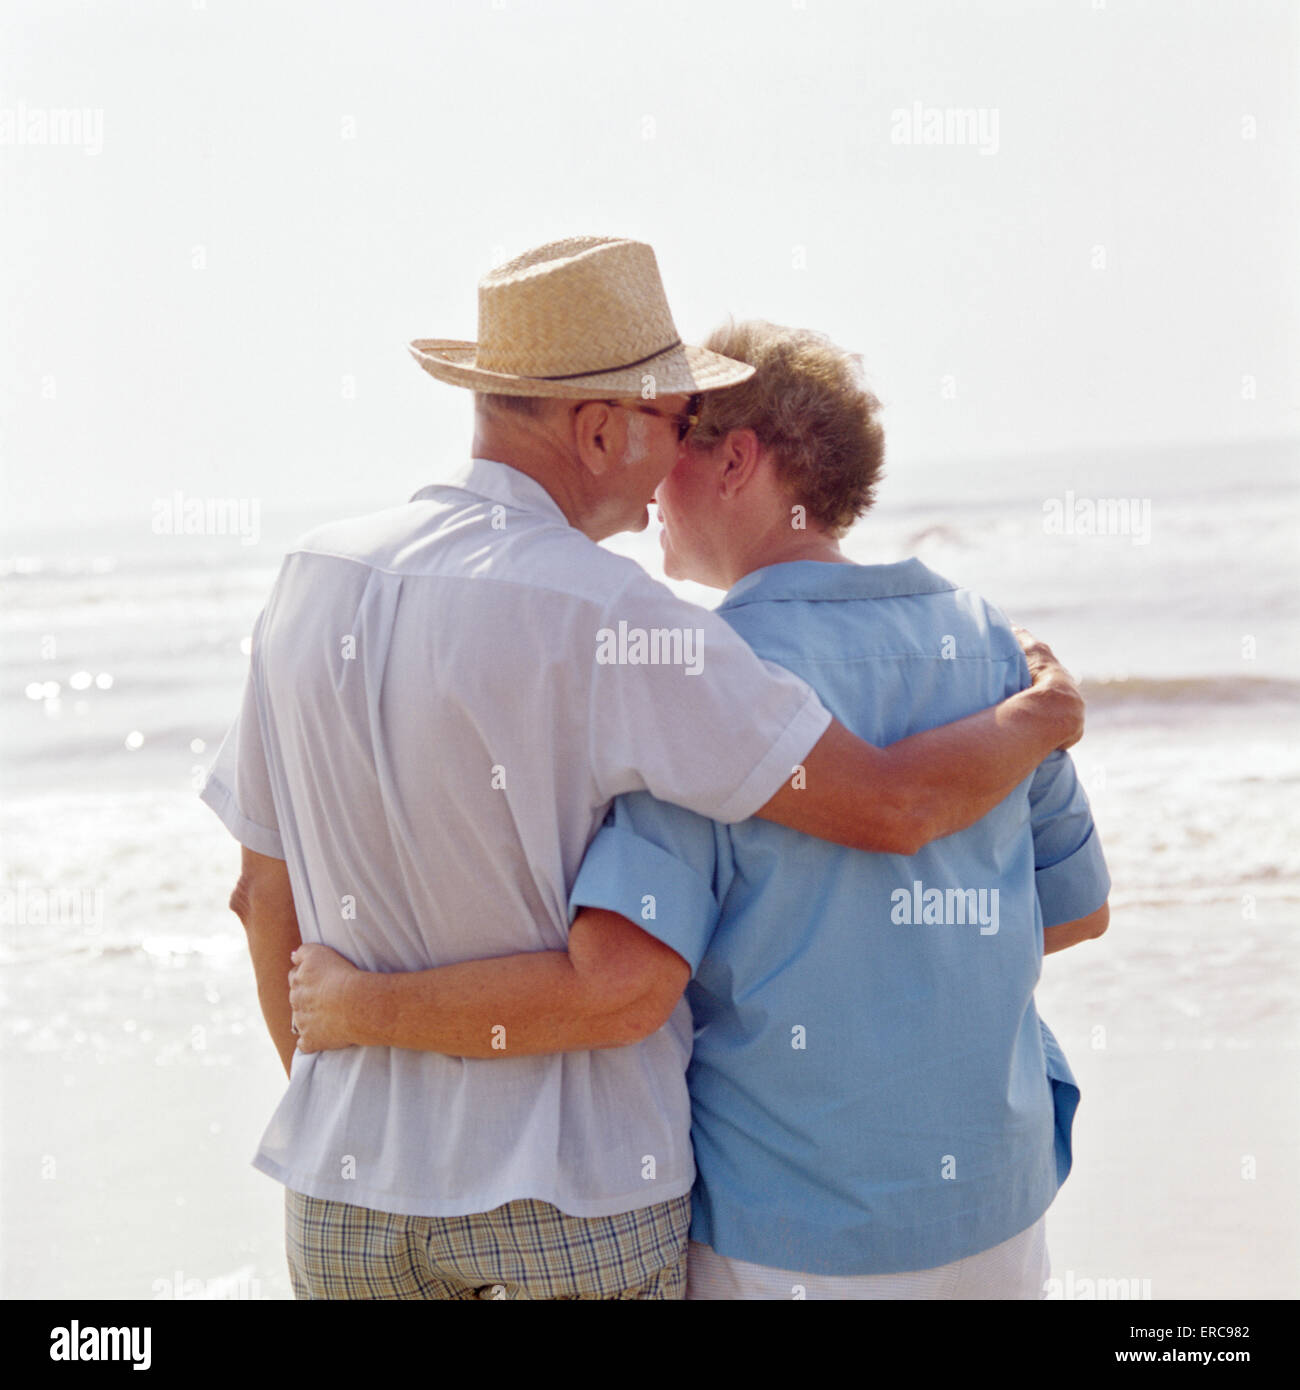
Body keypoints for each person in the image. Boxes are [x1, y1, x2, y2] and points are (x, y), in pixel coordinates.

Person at [205, 239, 1083, 1301]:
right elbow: (894, 814)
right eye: (673, 418)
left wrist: (345, 1062)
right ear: (597, 428)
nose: (673, 461)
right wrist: (1039, 717)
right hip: (571, 1194)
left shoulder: (309, 577)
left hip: (345, 1196)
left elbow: (261, 891)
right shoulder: (623, 622)